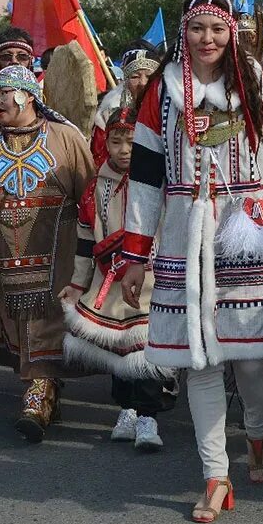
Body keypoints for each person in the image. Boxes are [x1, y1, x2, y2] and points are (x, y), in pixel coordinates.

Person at [120, 0, 263, 523]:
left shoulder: (257, 83)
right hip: (185, 233)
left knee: (253, 357)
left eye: (216, 29)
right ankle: (216, 475)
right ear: (182, 34)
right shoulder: (161, 94)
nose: (206, 40)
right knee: (199, 361)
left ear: (232, 32)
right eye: (196, 29)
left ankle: (256, 431)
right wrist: (135, 253)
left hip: (248, 228)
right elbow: (143, 178)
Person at [0, 65, 95, 442]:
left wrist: (96, 249)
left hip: (57, 247)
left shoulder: (65, 137)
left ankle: (38, 395)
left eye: (5, 93)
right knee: (15, 320)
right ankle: (44, 391)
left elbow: (90, 192)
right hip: (4, 251)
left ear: (28, 96)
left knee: (50, 317)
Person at [58, 104, 175, 451]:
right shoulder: (95, 189)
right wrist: (77, 283)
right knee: (117, 350)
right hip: (107, 279)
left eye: (132, 141)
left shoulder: (162, 181)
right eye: (116, 142)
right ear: (105, 144)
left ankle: (148, 417)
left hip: (153, 281)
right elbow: (84, 242)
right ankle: (126, 409)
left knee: (149, 351)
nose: (124, 150)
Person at [91, 48, 159, 166]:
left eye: (149, 76)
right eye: (135, 77)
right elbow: (98, 156)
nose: (143, 82)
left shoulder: (168, 111)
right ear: (126, 81)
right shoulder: (109, 112)